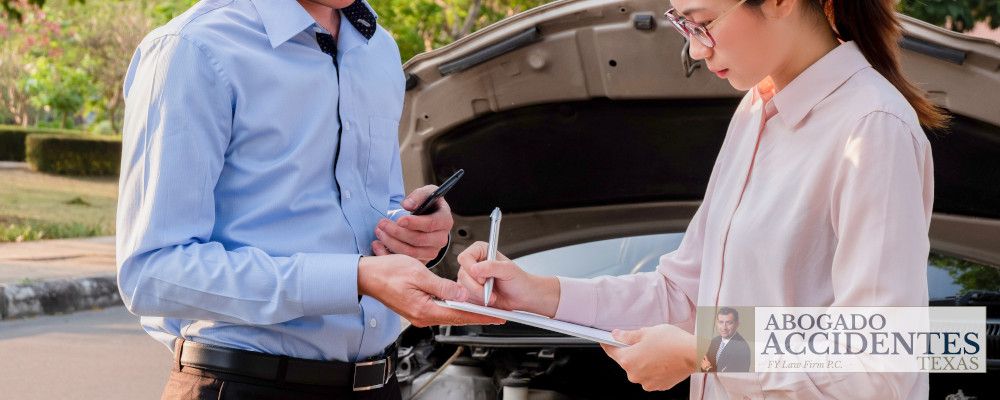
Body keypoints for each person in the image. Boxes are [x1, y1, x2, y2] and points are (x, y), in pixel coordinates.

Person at [455, 0, 943, 397]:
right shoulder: (757, 109)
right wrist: (540, 294)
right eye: (682, 24)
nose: (693, 49)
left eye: (704, 23)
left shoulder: (873, 128)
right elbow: (684, 295)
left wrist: (704, 352)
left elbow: (882, 357)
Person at [116, 1, 499, 398]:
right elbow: (153, 272)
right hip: (243, 385)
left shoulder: (378, 49)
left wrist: (414, 235)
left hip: (380, 383)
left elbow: (367, 209)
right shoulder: (192, 48)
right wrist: (355, 278)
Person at [701, 307, 750, 373]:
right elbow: (703, 366)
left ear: (737, 324)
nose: (724, 327)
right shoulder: (714, 341)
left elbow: (728, 378)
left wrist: (708, 368)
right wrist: (707, 367)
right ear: (716, 323)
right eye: (721, 322)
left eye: (729, 323)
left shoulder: (742, 348)